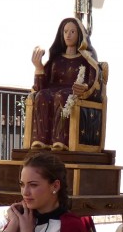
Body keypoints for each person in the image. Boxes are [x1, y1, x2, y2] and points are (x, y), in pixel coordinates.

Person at [28, 17, 105, 151]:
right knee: (41, 96)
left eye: (72, 32)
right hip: (53, 91)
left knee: (62, 96)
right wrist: (38, 67)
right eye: (65, 31)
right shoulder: (56, 59)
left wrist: (85, 88)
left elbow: (95, 85)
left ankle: (60, 140)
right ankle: (41, 140)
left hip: (73, 93)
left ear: (79, 35)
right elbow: (40, 87)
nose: (68, 35)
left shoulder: (87, 59)